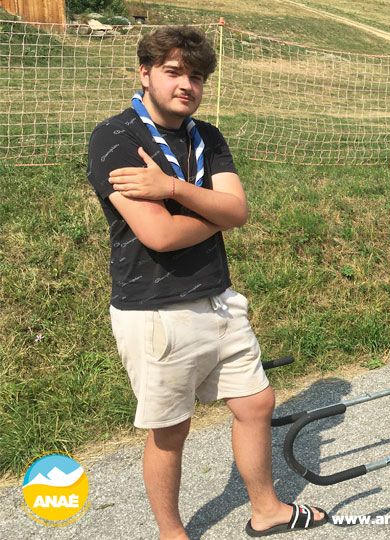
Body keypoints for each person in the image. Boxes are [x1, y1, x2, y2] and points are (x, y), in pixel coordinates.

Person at [86, 26, 327, 539]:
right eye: (173, 72)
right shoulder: (115, 137)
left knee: (256, 402)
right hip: (156, 310)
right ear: (145, 73)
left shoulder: (207, 135)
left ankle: (267, 509)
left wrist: (171, 186)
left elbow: (238, 207)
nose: (186, 85)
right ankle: (172, 533)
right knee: (171, 431)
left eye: (196, 76)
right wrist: (220, 211)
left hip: (218, 298)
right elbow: (160, 235)